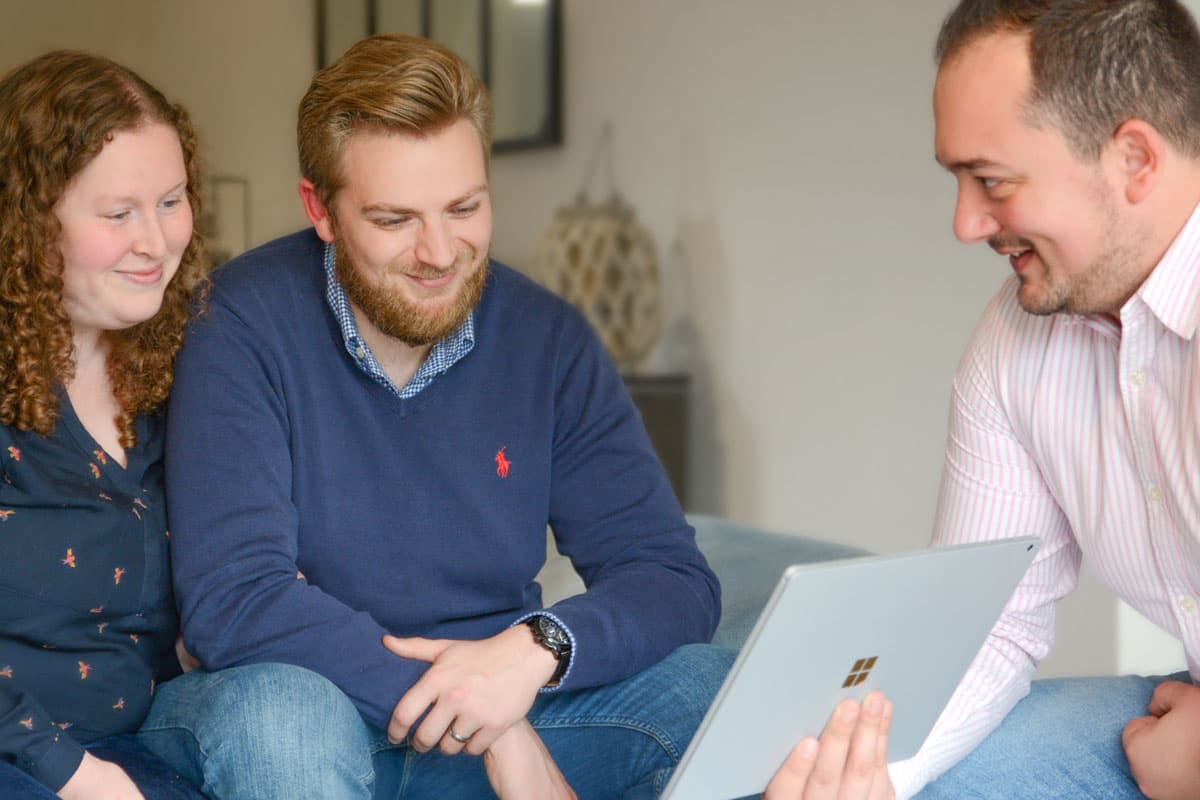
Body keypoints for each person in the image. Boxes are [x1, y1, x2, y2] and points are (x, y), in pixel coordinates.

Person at [137, 32, 732, 799]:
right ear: (320, 208)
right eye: (395, 219)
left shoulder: (547, 339)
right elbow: (236, 599)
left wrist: (533, 652)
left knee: (710, 685)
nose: (440, 251)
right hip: (316, 715)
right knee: (281, 718)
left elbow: (672, 576)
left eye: (464, 207)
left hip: (499, 703)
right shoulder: (238, 323)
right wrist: (487, 718)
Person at [0, 51, 210, 799]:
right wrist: (73, 774)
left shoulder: (190, 356)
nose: (155, 243)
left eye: (172, 201)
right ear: (28, 225)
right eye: (119, 214)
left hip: (141, 745)